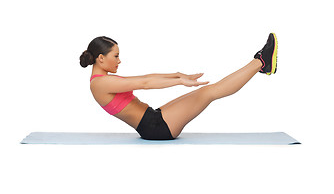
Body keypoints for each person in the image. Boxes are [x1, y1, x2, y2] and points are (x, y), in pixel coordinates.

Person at [79, 33, 278, 140]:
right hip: (156, 128)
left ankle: (261, 63)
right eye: (116, 56)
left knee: (205, 92)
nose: (119, 61)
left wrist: (177, 74)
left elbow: (146, 77)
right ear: (101, 58)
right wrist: (180, 82)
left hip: (154, 119)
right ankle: (261, 62)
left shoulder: (103, 80)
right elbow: (145, 84)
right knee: (209, 92)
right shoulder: (100, 83)